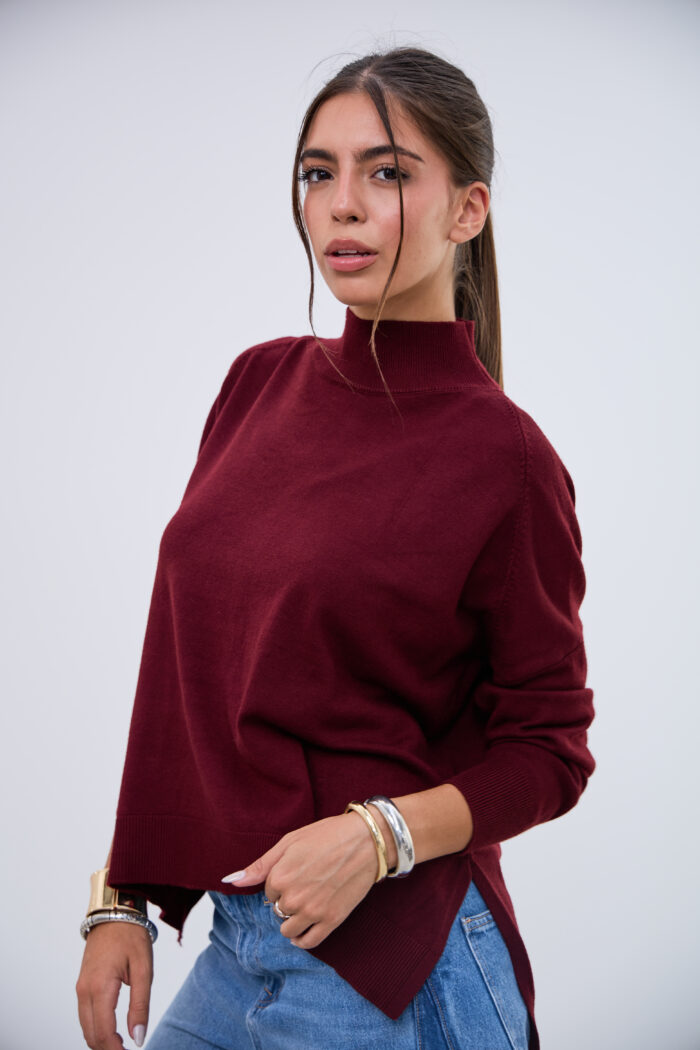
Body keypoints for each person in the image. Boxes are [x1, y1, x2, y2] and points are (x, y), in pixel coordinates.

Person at [76, 45, 595, 1050]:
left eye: (387, 172)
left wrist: (378, 834)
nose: (342, 205)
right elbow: (183, 675)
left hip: (396, 963)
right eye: (320, 173)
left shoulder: (508, 459)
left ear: (467, 211)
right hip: (236, 941)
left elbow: (551, 749)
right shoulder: (256, 384)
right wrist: (122, 895)